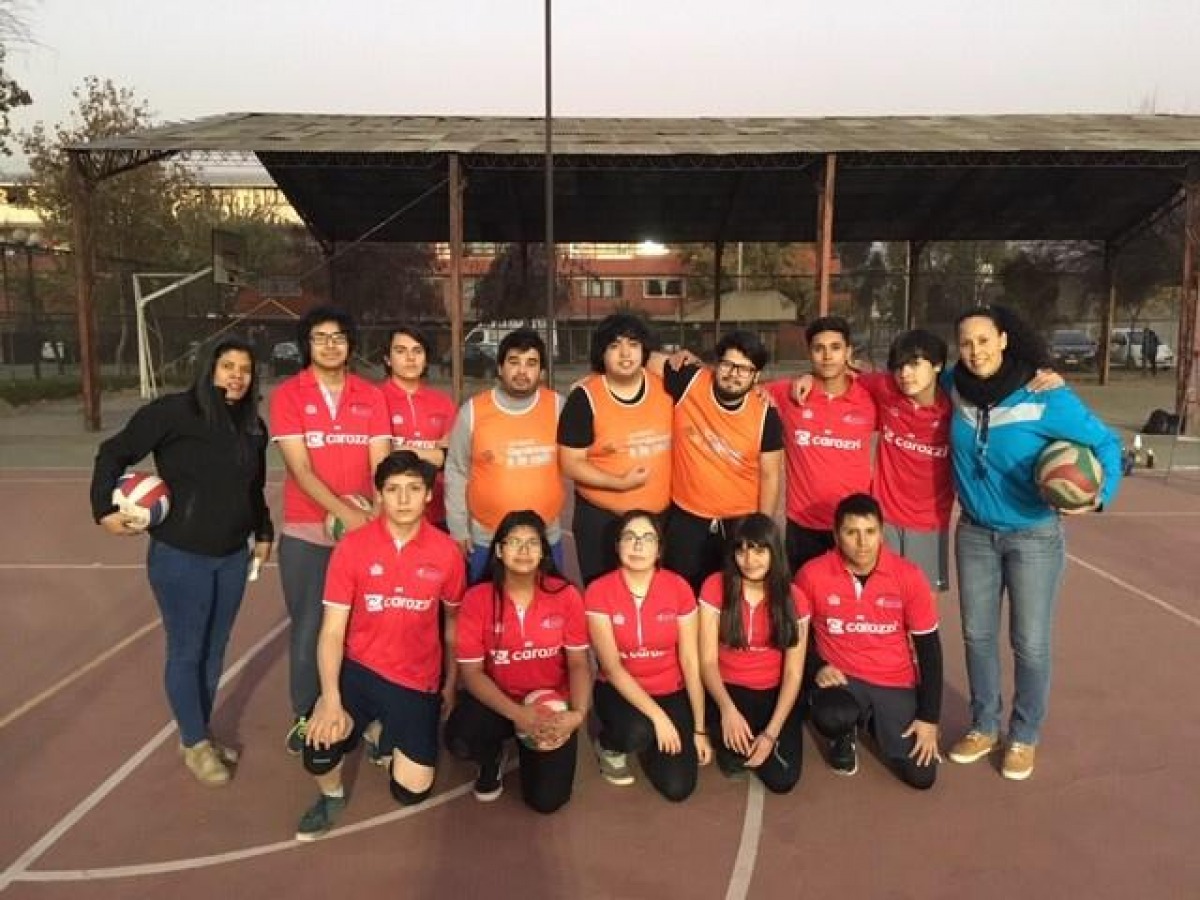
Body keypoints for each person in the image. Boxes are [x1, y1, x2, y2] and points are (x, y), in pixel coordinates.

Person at [947, 305, 1123, 781]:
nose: (975, 350)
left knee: (1030, 642)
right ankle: (984, 724)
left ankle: (1023, 735)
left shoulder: (1044, 394)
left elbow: (1107, 444)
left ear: (1004, 340)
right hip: (976, 533)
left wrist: (1099, 497)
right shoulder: (953, 387)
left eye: (984, 340)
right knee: (977, 636)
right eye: (966, 343)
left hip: (1033, 536)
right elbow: (908, 377)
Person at [90, 337, 273, 786]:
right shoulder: (174, 412)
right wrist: (104, 511)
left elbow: (253, 490)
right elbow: (113, 452)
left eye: (245, 369)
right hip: (180, 557)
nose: (236, 375)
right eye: (227, 365)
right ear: (209, 369)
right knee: (188, 650)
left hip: (231, 557)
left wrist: (264, 533)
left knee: (215, 650)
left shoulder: (252, 427)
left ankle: (197, 734)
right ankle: (195, 743)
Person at [294, 451, 466, 840]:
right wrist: (330, 697)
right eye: (393, 490)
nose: (403, 499)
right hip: (360, 671)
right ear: (380, 496)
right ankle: (332, 796)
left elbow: (453, 625)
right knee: (319, 745)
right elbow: (333, 631)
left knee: (409, 792)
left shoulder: (447, 552)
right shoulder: (352, 548)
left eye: (413, 489)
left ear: (427, 496)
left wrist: (451, 683)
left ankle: (380, 733)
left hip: (416, 679)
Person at [270, 306, 392, 755]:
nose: (329, 344)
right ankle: (307, 714)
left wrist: (375, 514)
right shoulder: (288, 395)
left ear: (351, 345)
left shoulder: (370, 395)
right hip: (307, 531)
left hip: (364, 529)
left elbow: (381, 461)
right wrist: (345, 513)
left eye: (338, 337)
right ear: (307, 344)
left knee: (365, 627)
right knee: (310, 626)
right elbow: (300, 467)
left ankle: (359, 711)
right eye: (320, 337)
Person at [445, 510, 591, 813]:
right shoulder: (477, 599)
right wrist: (516, 714)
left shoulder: (566, 596)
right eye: (514, 542)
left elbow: (578, 663)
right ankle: (491, 758)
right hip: (499, 701)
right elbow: (471, 673)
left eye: (532, 543)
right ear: (499, 550)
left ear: (543, 551)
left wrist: (576, 715)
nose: (524, 551)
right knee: (461, 737)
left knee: (547, 802)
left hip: (550, 706)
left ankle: (536, 752)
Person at [797, 494, 943, 789]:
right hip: (843, 680)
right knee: (833, 714)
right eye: (852, 533)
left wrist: (929, 718)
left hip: (894, 681)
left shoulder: (909, 576)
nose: (862, 543)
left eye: (870, 532)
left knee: (921, 777)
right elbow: (794, 637)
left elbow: (930, 651)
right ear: (837, 536)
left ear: (881, 532)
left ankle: (876, 722)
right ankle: (843, 734)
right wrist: (817, 667)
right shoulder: (812, 575)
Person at [585, 510, 710, 800]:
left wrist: (699, 729)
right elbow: (612, 668)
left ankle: (655, 737)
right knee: (635, 731)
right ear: (617, 546)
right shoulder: (599, 591)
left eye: (647, 538)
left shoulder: (679, 588)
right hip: (618, 688)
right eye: (629, 538)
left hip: (670, 689)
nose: (638, 546)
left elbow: (690, 662)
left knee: (678, 787)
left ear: (659, 548)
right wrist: (658, 717)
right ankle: (609, 745)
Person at [660, 330, 784, 591]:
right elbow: (642, 360)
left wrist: (761, 529)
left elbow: (771, 475)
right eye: (728, 364)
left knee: (732, 596)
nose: (733, 374)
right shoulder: (689, 380)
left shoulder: (766, 415)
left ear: (756, 376)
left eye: (744, 369)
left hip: (738, 521)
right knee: (682, 593)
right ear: (716, 365)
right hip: (687, 516)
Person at [558, 314, 673, 584]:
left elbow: (710, 380)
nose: (624, 354)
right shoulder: (584, 397)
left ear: (644, 350)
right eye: (614, 346)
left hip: (659, 519)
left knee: (654, 599)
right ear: (602, 353)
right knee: (603, 599)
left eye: (632, 344)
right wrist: (619, 484)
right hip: (602, 519)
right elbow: (571, 463)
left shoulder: (667, 386)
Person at [445, 328, 566, 583]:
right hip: (486, 539)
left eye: (531, 363)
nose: (522, 371)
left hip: (545, 538)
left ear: (542, 372)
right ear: (500, 368)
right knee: (486, 613)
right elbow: (456, 470)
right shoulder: (473, 412)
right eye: (514, 362)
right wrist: (457, 528)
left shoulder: (559, 407)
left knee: (545, 613)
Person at [698, 514, 807, 794]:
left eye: (759, 549)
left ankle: (757, 737)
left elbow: (794, 673)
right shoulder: (715, 586)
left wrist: (771, 733)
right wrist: (727, 710)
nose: (749, 559)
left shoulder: (795, 598)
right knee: (735, 758)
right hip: (728, 689)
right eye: (742, 549)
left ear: (775, 552)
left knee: (783, 780)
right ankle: (723, 736)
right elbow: (708, 662)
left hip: (772, 691)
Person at [766, 316, 876, 574]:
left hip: (854, 525)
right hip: (803, 525)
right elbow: (739, 387)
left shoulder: (869, 396)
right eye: (819, 348)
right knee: (802, 605)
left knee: (852, 607)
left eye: (835, 348)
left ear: (848, 352)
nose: (827, 356)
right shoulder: (787, 394)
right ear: (810, 353)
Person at [380, 325, 457, 529]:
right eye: (400, 351)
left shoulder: (443, 403)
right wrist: (432, 453)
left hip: (438, 510)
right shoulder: (374, 399)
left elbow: (449, 456)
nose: (410, 358)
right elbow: (378, 457)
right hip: (389, 514)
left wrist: (400, 450)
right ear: (387, 359)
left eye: (417, 351)